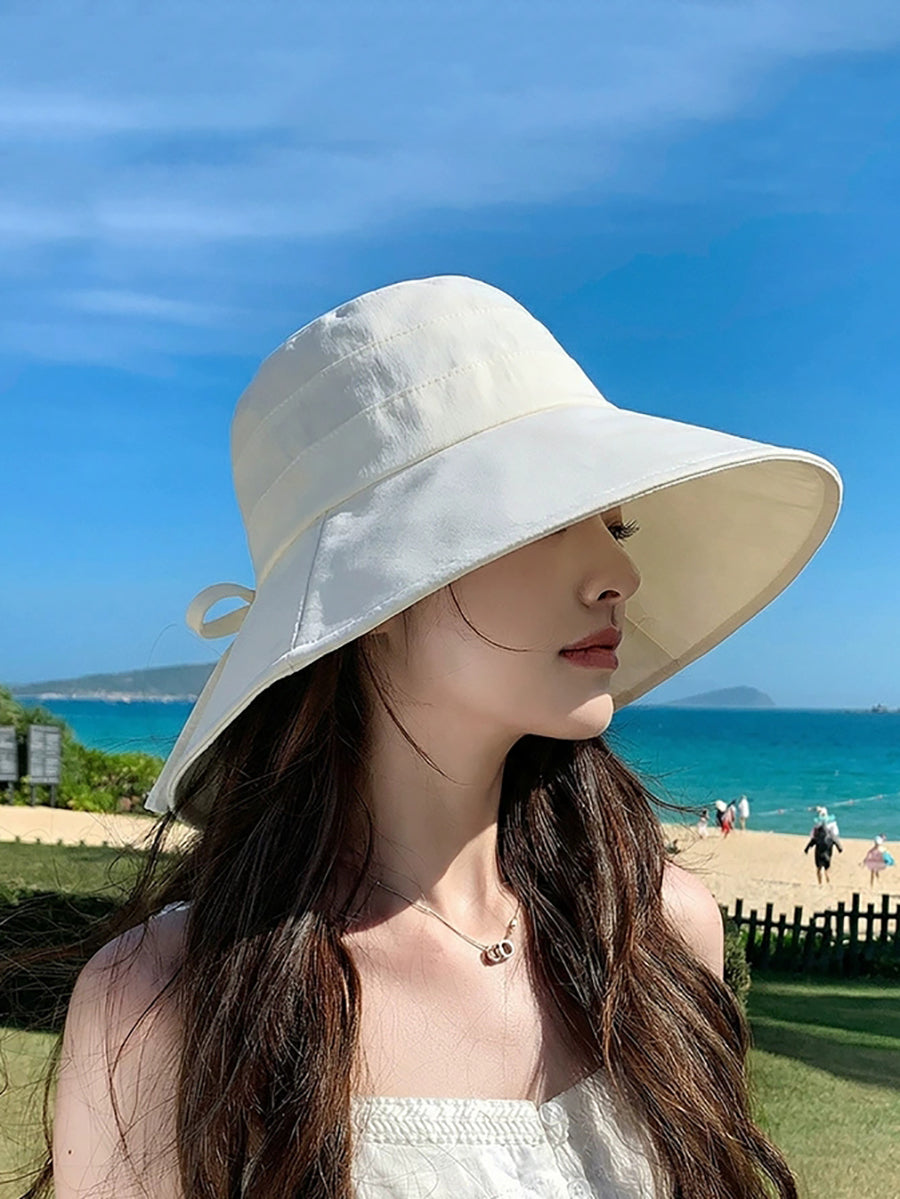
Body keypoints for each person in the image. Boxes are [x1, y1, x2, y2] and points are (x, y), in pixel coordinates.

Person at [35, 277, 840, 1199]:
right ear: (370, 599)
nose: (619, 570)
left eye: (615, 523)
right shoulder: (163, 1002)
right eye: (548, 520)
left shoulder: (654, 932)